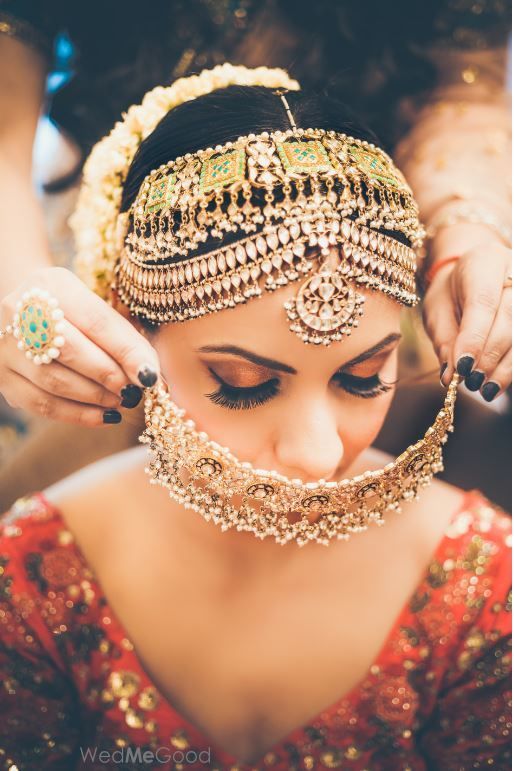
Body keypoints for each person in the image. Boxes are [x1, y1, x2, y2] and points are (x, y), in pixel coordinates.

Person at [0, 66, 510, 770]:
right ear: (129, 330)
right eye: (242, 384)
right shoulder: (33, 575)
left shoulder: (483, 583)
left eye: (364, 379)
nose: (315, 452)